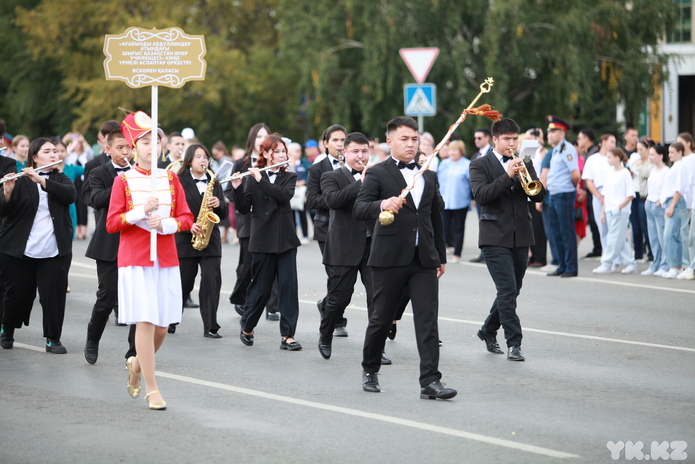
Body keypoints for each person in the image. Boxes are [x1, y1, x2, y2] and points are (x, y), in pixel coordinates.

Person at [353, 116, 456, 400]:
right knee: (381, 319)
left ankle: (430, 381)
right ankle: (370, 368)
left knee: (427, 320)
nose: (411, 144)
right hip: (388, 259)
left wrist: (440, 256)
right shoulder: (376, 173)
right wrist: (382, 204)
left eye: (414, 139)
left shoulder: (428, 175)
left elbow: (434, 218)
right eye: (404, 139)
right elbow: (360, 208)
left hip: (423, 259)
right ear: (389, 142)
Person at [106, 111, 194, 410]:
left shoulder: (170, 178)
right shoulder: (124, 181)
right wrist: (140, 211)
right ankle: (152, 389)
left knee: (161, 327)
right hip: (135, 258)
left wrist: (165, 224)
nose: (151, 146)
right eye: (144, 141)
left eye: (156, 140)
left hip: (166, 257)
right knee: (145, 320)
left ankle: (136, 366)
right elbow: (112, 223)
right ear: (133, 146)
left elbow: (186, 217)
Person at [470, 118, 545, 362]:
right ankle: (515, 343)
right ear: (495, 140)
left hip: (521, 235)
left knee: (513, 290)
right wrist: (508, 175)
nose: (511, 143)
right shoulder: (479, 165)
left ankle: (488, 330)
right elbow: (482, 196)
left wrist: (526, 176)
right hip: (494, 237)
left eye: (515, 139)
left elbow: (537, 195)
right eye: (506, 139)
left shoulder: (525, 161)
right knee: (507, 289)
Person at [0, 138, 76, 353]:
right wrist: (7, 191)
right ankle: (7, 328)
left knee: (53, 297)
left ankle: (53, 338)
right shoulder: (20, 179)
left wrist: (42, 182)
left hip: (54, 251)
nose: (53, 154)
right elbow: (4, 211)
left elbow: (70, 196)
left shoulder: (61, 179)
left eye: (55, 151)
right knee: (18, 296)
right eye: (47, 151)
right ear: (34, 157)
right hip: (20, 251)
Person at [318, 132, 387, 362]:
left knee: (376, 299)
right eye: (355, 151)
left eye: (364, 151)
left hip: (372, 245)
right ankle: (325, 334)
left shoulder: (377, 175)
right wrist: (361, 181)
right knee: (339, 298)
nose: (360, 156)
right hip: (343, 246)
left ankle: (377, 349)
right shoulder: (331, 176)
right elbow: (333, 202)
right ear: (344, 152)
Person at [232, 134, 302, 350]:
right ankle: (248, 326)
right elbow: (244, 208)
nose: (281, 154)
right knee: (260, 288)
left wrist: (261, 181)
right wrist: (237, 188)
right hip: (262, 240)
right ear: (265, 154)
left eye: (283, 151)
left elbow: (283, 197)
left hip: (286, 240)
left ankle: (287, 335)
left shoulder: (289, 177)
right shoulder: (252, 178)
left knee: (288, 287)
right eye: (277, 151)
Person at [82, 131, 133, 364]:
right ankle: (93, 339)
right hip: (109, 242)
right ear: (108, 150)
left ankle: (134, 350)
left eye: (128, 147)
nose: (125, 152)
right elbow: (98, 199)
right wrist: (123, 182)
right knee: (107, 296)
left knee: (137, 298)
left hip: (136, 241)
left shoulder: (141, 173)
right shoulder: (98, 173)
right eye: (120, 148)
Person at [223, 123, 279, 319]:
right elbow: (230, 190)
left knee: (273, 263)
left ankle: (272, 306)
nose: (262, 140)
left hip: (270, 220)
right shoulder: (241, 163)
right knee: (247, 264)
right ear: (251, 139)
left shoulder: (274, 161)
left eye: (265, 136)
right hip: (248, 220)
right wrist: (244, 203)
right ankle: (242, 298)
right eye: (258, 136)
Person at [175, 144, 228, 338]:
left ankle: (211, 325)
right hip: (185, 239)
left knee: (211, 282)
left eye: (205, 157)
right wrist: (188, 225)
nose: (203, 160)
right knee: (183, 282)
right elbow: (173, 210)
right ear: (189, 160)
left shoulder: (214, 181)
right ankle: (171, 319)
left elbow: (222, 214)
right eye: (198, 157)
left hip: (210, 239)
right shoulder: (179, 181)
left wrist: (219, 204)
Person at [307, 124, 350, 336]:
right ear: (325, 143)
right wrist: (336, 200)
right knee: (335, 274)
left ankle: (326, 304)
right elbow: (312, 199)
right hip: (326, 228)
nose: (340, 145)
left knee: (347, 277)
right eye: (335, 140)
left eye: (343, 140)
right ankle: (337, 320)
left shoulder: (355, 165)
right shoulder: (317, 168)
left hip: (352, 227)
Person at [545, 115, 580, 277]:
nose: (549, 135)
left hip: (564, 194)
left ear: (562, 133)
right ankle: (561, 264)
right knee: (556, 231)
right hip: (553, 194)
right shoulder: (555, 151)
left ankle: (571, 267)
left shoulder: (567, 149)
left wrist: (571, 189)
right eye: (548, 132)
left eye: (553, 132)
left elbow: (575, 174)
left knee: (566, 231)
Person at [591, 148, 637, 274]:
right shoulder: (610, 172)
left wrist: (620, 207)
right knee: (619, 238)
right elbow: (606, 194)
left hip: (620, 211)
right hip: (609, 210)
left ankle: (606, 263)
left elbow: (630, 194)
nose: (608, 159)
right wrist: (602, 212)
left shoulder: (625, 173)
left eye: (610, 157)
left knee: (613, 237)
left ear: (617, 158)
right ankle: (630, 263)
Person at [437, 140, 471, 263]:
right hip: (445, 201)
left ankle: (457, 253)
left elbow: (471, 183)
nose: (452, 152)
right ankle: (444, 251)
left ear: (461, 152)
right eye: (450, 150)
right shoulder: (444, 164)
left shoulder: (467, 164)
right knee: (443, 228)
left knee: (458, 228)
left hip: (460, 201)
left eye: (455, 150)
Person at [661, 142, 688, 279]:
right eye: (669, 152)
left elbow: (679, 188)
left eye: (672, 152)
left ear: (680, 152)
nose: (669, 155)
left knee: (670, 234)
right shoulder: (675, 166)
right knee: (671, 235)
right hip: (671, 201)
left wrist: (672, 206)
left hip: (676, 202)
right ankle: (675, 265)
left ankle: (675, 266)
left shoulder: (680, 166)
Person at [642, 144, 670, 276]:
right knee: (652, 237)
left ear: (661, 156)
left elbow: (667, 188)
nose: (650, 157)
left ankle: (665, 265)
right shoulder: (653, 170)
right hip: (650, 203)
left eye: (653, 154)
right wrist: (648, 199)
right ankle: (655, 263)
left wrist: (660, 201)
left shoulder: (666, 171)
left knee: (662, 237)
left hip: (659, 205)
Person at [627, 138, 654, 262]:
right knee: (635, 225)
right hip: (634, 195)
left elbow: (644, 173)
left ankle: (651, 254)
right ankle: (637, 253)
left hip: (645, 195)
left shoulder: (651, 161)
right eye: (637, 150)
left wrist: (636, 168)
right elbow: (629, 171)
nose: (639, 152)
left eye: (641, 150)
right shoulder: (636, 159)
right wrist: (635, 167)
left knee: (646, 225)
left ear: (648, 149)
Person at [577, 128, 602, 258]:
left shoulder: (594, 153)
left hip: (594, 191)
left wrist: (586, 191)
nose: (578, 140)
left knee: (596, 220)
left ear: (586, 139)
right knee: (592, 221)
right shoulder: (589, 152)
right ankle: (597, 247)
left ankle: (600, 248)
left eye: (580, 138)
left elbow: (593, 176)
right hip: (589, 191)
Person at [526, 128, 549, 267]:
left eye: (531, 137)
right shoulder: (527, 151)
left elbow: (543, 173)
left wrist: (539, 140)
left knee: (538, 228)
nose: (528, 140)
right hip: (526, 194)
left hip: (537, 193)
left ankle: (540, 257)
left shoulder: (542, 151)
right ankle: (532, 255)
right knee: (529, 227)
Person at [469, 128, 492, 263]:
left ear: (487, 138)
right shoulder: (476, 155)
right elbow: (472, 179)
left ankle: (490, 253)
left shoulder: (493, 153)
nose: (476, 140)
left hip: (491, 193)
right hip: (479, 196)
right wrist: (473, 196)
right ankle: (483, 253)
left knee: (491, 224)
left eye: (479, 138)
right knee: (482, 224)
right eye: (475, 138)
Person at [676, 132, 695, 280]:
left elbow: (690, 183)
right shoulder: (680, 161)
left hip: (690, 200)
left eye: (681, 142)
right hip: (683, 200)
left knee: (690, 235)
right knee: (683, 234)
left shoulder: (692, 158)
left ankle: (690, 265)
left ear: (688, 143)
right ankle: (686, 264)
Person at [288, 142, 310, 243]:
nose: (299, 153)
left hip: (302, 192)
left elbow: (309, 174)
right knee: (291, 214)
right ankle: (293, 235)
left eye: (300, 151)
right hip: (290, 191)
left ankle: (305, 235)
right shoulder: (286, 164)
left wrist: (303, 181)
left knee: (302, 213)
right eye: (297, 151)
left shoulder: (303, 163)